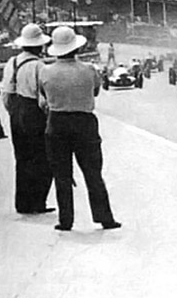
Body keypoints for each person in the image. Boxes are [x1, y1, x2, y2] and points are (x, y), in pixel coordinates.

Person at [39, 26, 121, 232]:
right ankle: (104, 217)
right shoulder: (89, 70)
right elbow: (95, 91)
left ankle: (66, 220)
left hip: (57, 123)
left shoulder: (46, 72)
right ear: (76, 48)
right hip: (84, 122)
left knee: (62, 174)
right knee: (93, 173)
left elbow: (44, 96)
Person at [1, 23, 54, 214]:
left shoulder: (12, 63)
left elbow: (6, 94)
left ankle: (22, 203)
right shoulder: (40, 66)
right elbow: (43, 98)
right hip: (34, 114)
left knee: (22, 159)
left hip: (17, 113)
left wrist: (13, 113)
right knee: (42, 158)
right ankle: (38, 201)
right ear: (40, 46)